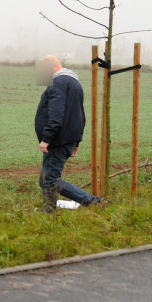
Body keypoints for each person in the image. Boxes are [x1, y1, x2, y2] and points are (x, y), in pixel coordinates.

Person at [34, 54, 103, 212]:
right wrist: (76, 143)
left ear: (51, 67)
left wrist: (46, 138)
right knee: (45, 180)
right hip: (66, 138)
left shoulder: (58, 83)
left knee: (50, 179)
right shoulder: (73, 82)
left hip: (58, 139)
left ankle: (93, 202)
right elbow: (79, 115)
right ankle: (50, 212)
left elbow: (56, 115)